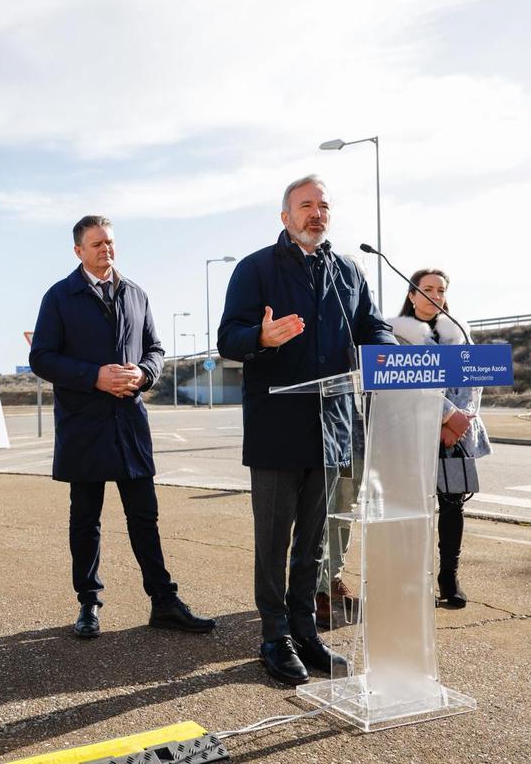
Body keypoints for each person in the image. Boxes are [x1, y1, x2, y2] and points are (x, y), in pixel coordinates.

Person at [217, 175, 395, 686]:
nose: (315, 213)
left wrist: (384, 352)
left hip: (331, 426)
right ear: (285, 216)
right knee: (274, 540)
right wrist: (262, 336)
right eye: (305, 206)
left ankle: (305, 631)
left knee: (314, 542)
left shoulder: (347, 271)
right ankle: (274, 636)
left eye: (323, 206)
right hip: (277, 425)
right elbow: (229, 338)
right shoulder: (255, 269)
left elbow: (372, 326)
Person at [30, 215, 216, 639]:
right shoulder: (60, 297)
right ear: (78, 251)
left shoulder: (136, 294)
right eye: (96, 244)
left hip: (129, 423)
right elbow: (42, 357)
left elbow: (156, 349)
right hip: (85, 425)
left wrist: (144, 375)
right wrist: (94, 375)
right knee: (86, 519)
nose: (105, 250)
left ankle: (164, 602)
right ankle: (88, 603)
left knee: (144, 516)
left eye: (109, 242)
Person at [388, 268, 491, 609]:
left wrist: (461, 421)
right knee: (413, 509)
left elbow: (476, 378)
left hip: (458, 433)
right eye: (427, 288)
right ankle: (413, 581)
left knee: (453, 505)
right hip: (415, 430)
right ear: (412, 295)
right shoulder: (396, 333)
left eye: (441, 290)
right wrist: (445, 417)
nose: (435, 295)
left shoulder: (459, 331)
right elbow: (408, 381)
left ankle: (449, 577)